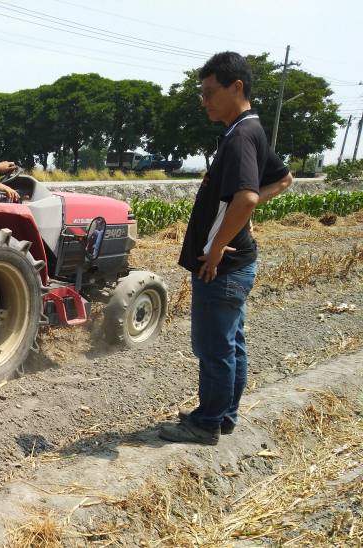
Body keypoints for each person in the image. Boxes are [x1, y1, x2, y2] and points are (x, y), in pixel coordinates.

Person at [159, 51, 293, 446]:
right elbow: (284, 179)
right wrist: (235, 227)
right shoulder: (251, 129)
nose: (204, 101)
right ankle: (224, 415)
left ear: (236, 87)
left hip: (223, 267)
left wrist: (218, 245)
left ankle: (205, 424)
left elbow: (247, 198)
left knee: (214, 346)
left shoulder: (239, 138)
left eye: (209, 92)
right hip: (237, 262)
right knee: (231, 341)